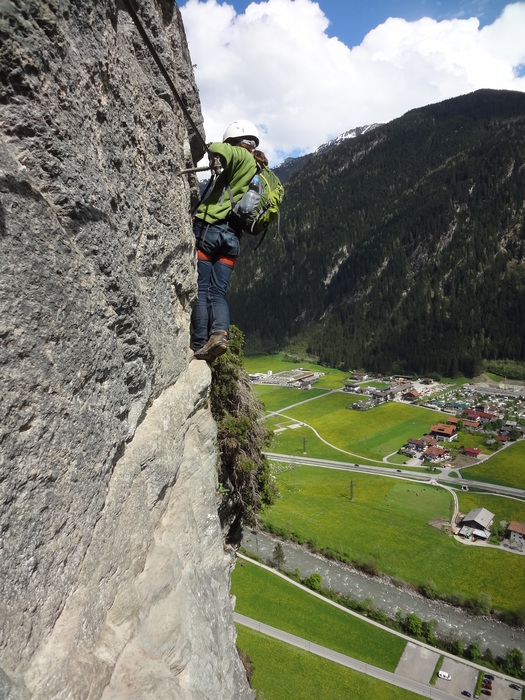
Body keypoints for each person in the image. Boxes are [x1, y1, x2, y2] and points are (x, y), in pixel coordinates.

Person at [190, 119, 269, 361]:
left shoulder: (240, 155)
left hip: (210, 229)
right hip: (233, 238)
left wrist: (216, 147)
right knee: (218, 293)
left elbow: (217, 149)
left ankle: (198, 344)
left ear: (236, 140)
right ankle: (219, 335)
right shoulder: (259, 169)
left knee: (202, 289)